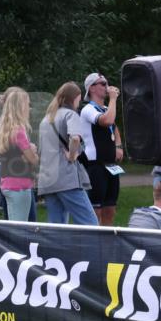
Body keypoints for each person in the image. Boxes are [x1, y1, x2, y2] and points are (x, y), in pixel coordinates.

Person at [37, 82, 98, 225]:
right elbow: (75, 138)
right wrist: (72, 155)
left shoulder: (46, 119)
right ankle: (93, 248)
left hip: (48, 180)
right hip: (66, 179)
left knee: (57, 228)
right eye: (79, 98)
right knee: (91, 224)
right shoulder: (70, 114)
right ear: (75, 97)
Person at [79, 72, 124, 225]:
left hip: (111, 165)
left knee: (110, 208)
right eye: (103, 84)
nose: (107, 86)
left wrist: (118, 146)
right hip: (95, 165)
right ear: (91, 88)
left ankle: (107, 243)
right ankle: (94, 242)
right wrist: (113, 99)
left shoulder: (106, 107)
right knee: (95, 210)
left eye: (107, 83)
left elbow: (114, 126)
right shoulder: (88, 110)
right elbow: (107, 121)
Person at [0, 88, 39, 221]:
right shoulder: (19, 131)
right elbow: (34, 160)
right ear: (21, 107)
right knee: (19, 230)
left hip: (8, 183)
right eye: (27, 104)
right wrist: (32, 151)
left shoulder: (5, 129)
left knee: (15, 226)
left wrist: (26, 157)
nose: (29, 108)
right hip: (20, 186)